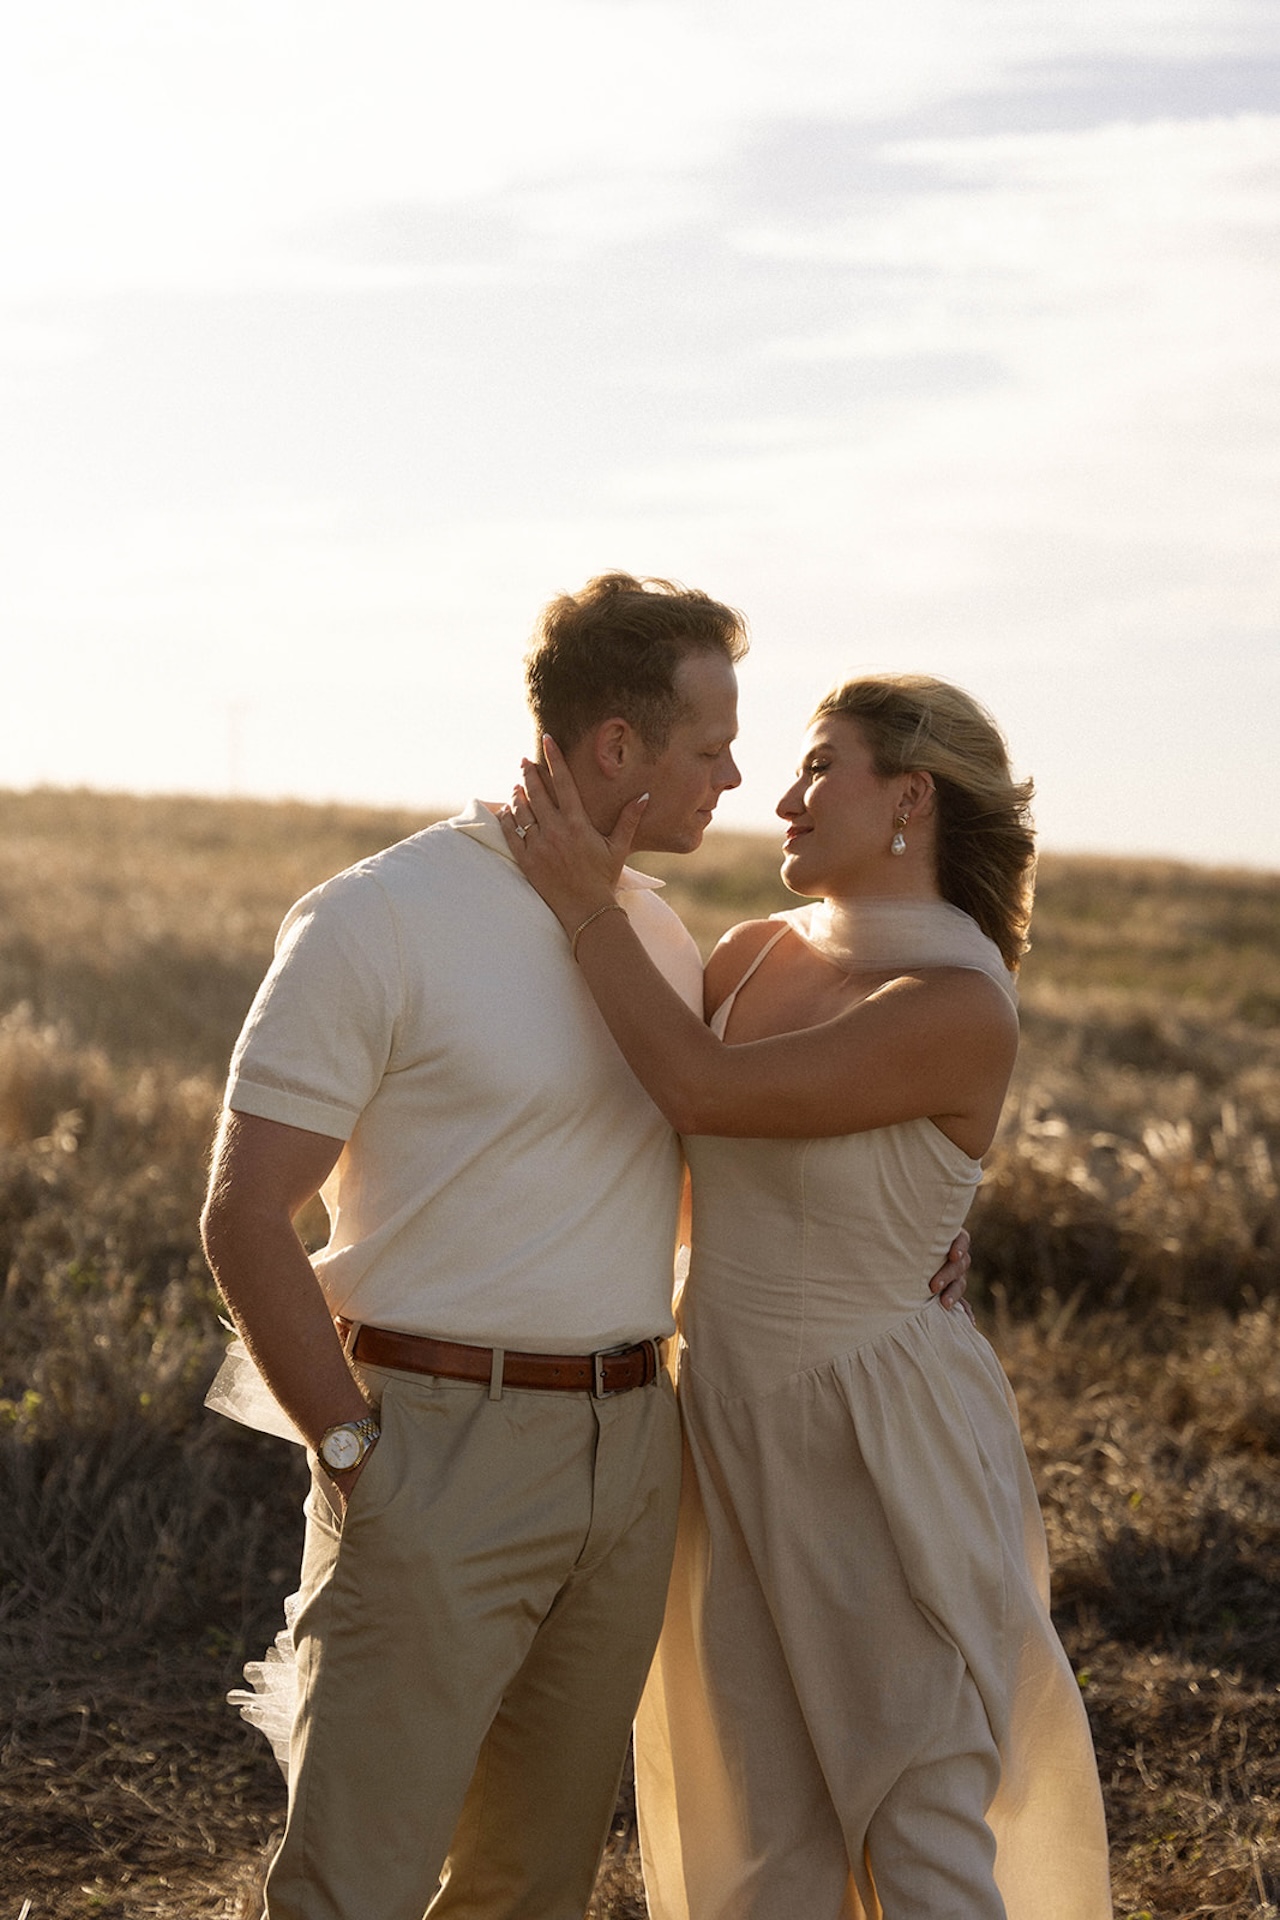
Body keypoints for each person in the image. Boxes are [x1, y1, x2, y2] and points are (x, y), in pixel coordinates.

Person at [199, 577, 971, 1920]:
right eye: (712, 746)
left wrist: (902, 1229)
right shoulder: (380, 916)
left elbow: (675, 1179)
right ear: (617, 747)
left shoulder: (658, 940)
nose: (739, 776)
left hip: (634, 1464)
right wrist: (349, 1452)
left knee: (535, 1883)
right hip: (436, 1444)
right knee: (355, 1883)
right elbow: (241, 1215)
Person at [502, 674, 1113, 1920]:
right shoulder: (744, 957)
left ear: (908, 797)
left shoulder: (956, 1007)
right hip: (720, 1425)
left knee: (921, 1827)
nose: (778, 799)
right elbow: (674, 1186)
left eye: (816, 767)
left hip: (878, 1443)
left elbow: (702, 1095)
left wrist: (585, 911)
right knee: (755, 1846)